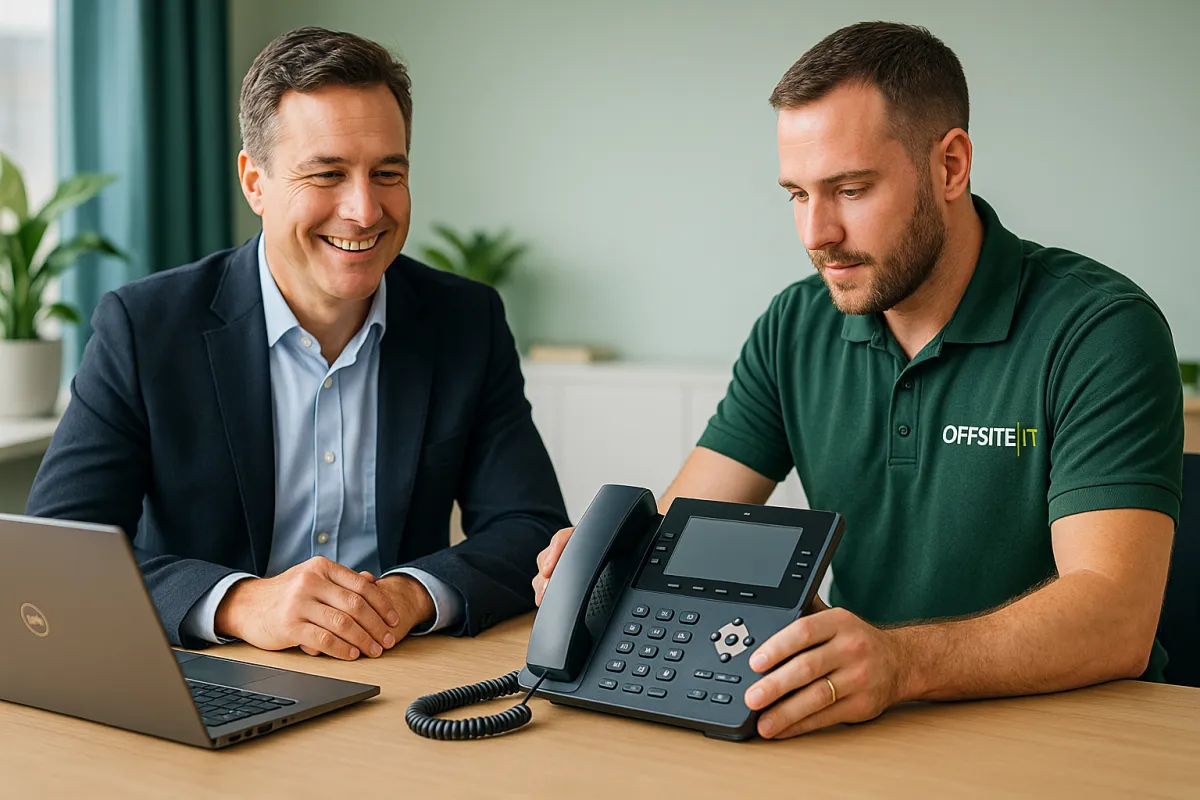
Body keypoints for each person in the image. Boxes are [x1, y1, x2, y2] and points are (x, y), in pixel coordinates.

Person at [532, 21, 1183, 739]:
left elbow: (1115, 616)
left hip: (1072, 735)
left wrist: (902, 662)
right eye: (797, 194)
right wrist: (602, 571)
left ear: (951, 166)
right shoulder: (795, 324)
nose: (817, 234)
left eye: (849, 189)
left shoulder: (1099, 329)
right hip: (865, 726)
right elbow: (682, 532)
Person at [28, 27, 569, 661]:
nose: (364, 210)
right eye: (328, 174)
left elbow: (530, 530)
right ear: (254, 182)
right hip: (211, 677)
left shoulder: (465, 321)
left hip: (398, 678)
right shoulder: (144, 327)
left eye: (387, 173)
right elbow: (55, 552)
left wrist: (408, 595)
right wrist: (238, 602)